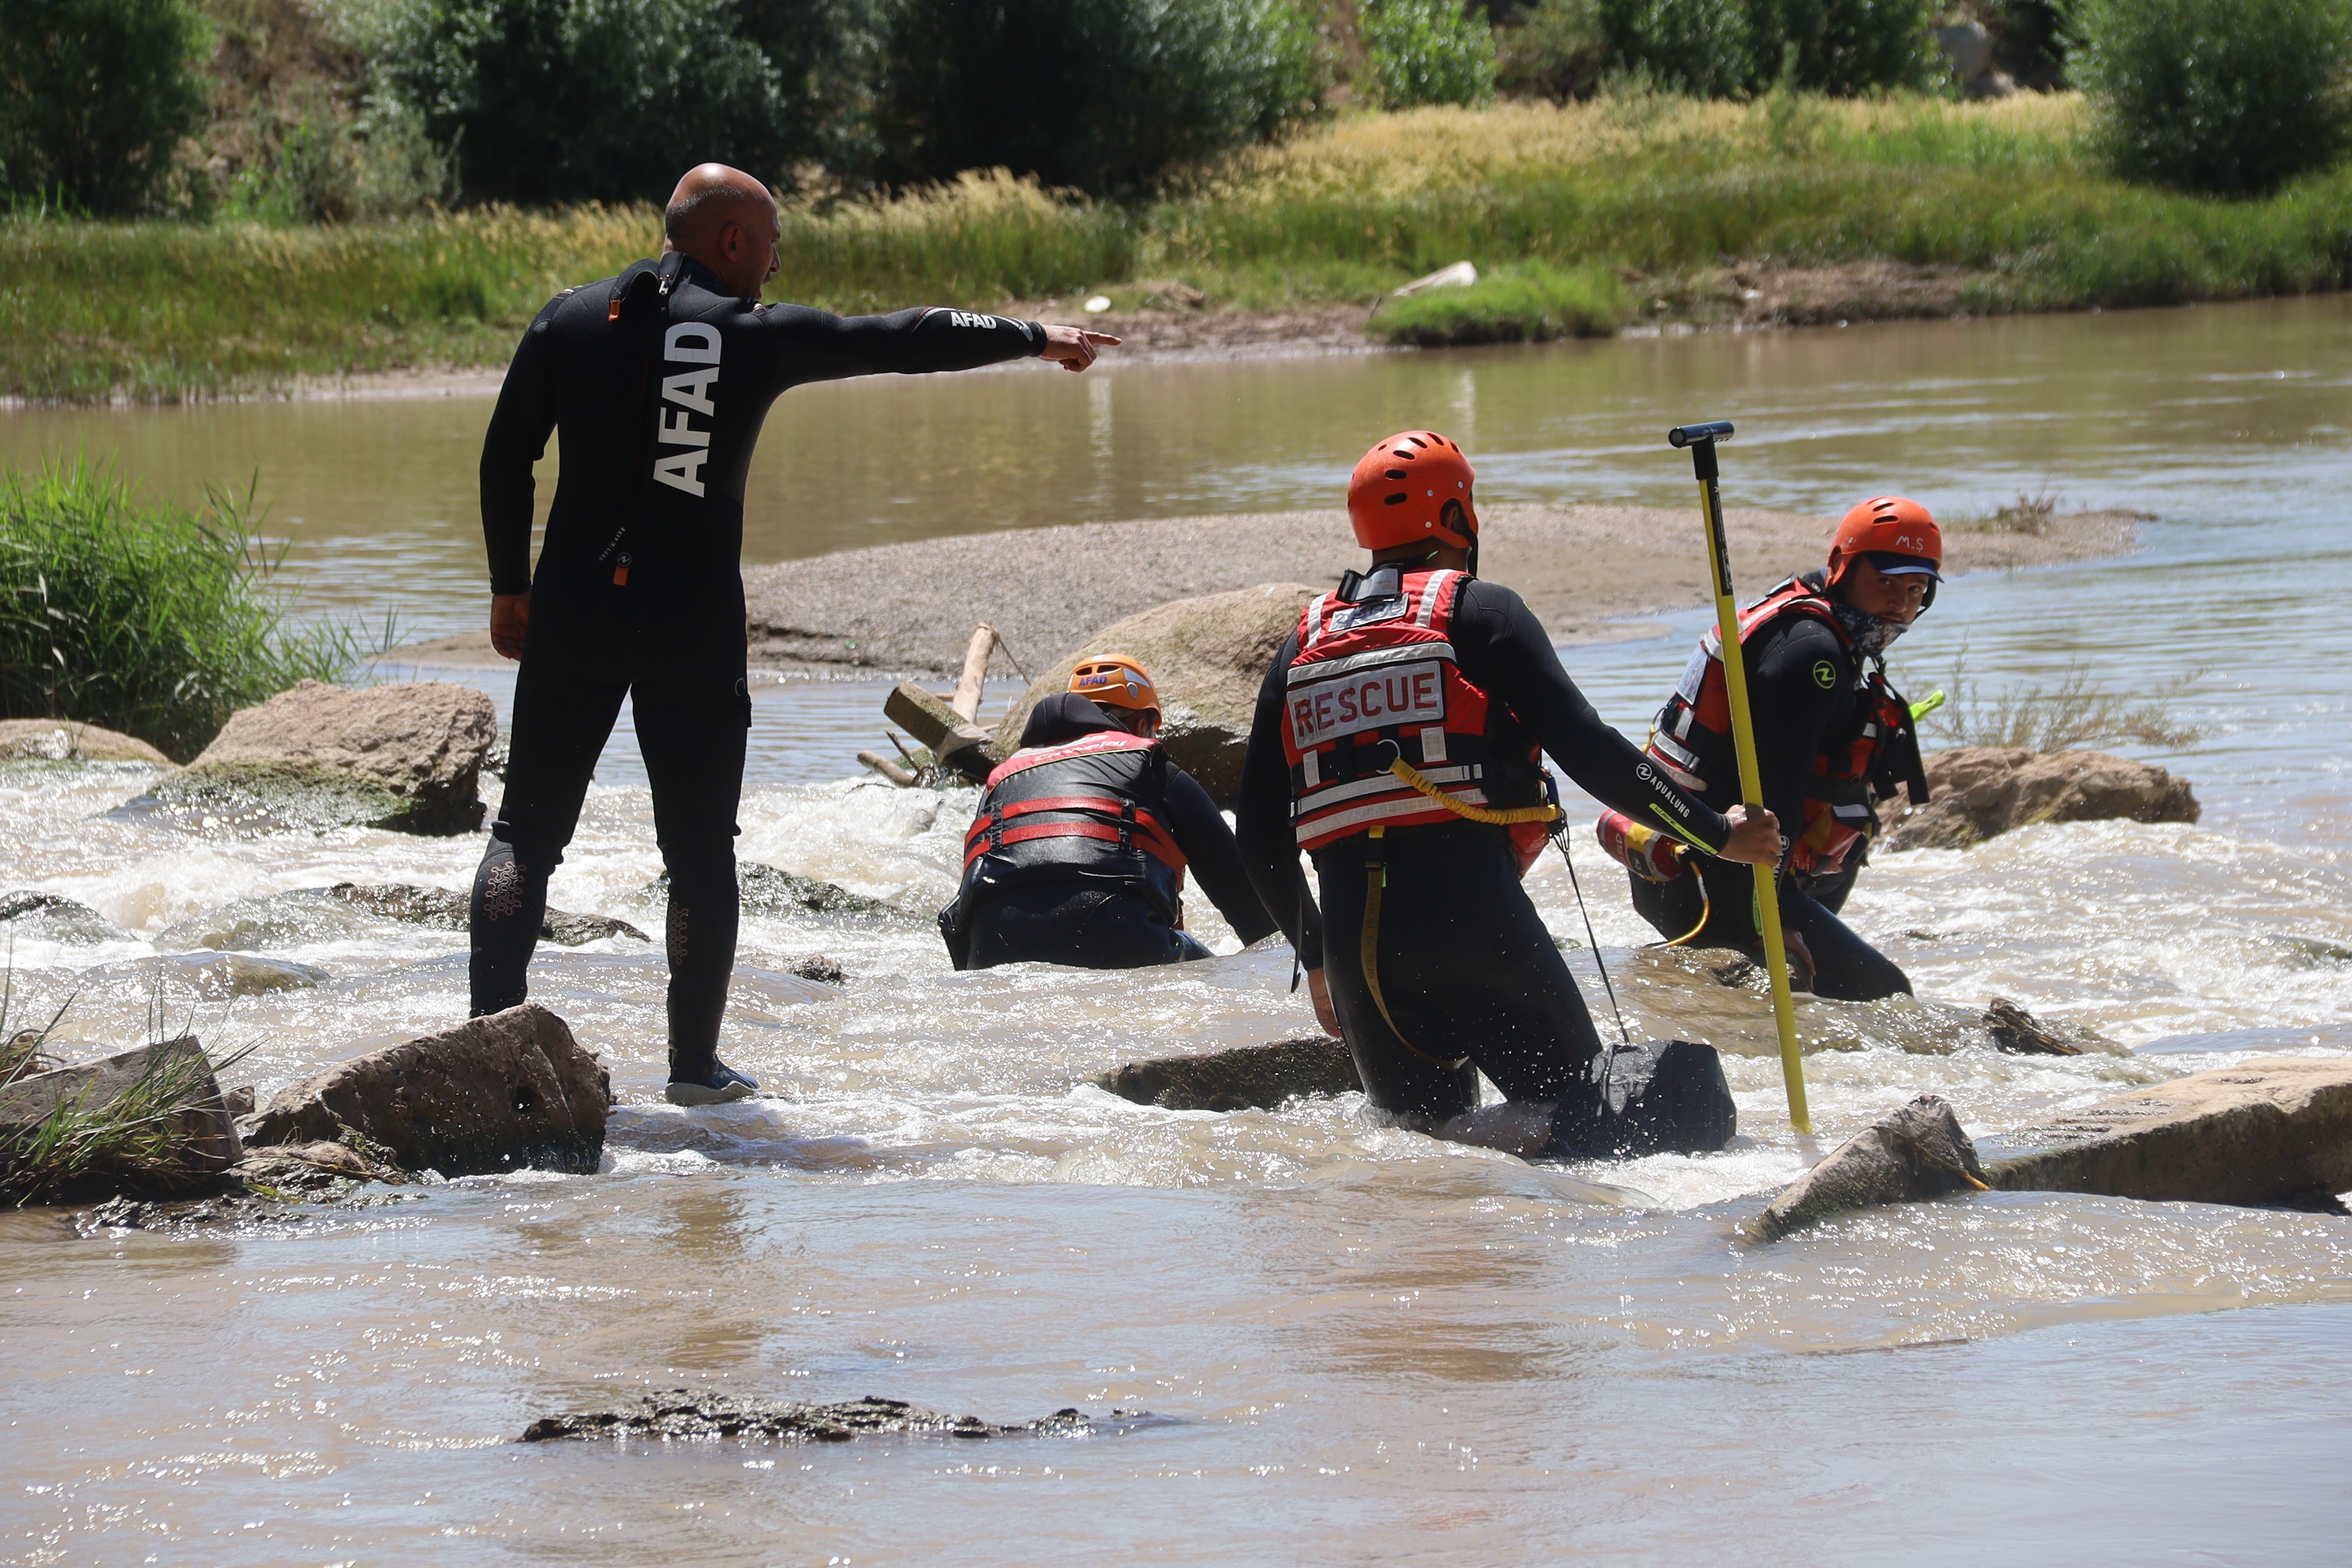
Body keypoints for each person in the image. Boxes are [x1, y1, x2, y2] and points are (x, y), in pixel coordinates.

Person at [471, 163, 1119, 1106]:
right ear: (731, 241)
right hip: (687, 623)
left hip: (574, 607)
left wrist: (507, 585)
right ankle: (692, 1070)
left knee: (526, 836)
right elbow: (904, 339)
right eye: (771, 242)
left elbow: (505, 453)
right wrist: (1033, 336)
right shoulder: (748, 336)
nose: (776, 264)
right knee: (697, 853)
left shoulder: (569, 319)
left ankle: (486, 1049)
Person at [1232, 431, 1780, 1151]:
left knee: (1420, 1154)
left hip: (1359, 958)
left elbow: (1259, 832)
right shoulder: (1482, 613)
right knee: (1600, 1140)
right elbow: (1590, 749)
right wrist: (1718, 832)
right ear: (1458, 519)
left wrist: (1317, 961)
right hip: (1475, 929)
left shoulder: (1300, 645)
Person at [1602, 495, 1938, 1002]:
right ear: (1842, 568)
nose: (1899, 603)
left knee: (1771, 1010)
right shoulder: (1811, 655)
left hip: (1704, 866)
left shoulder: (1816, 622)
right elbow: (1769, 806)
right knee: (1886, 997)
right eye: (1886, 583)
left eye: (1915, 589)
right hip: (1716, 876)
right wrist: (1766, 924)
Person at [942, 655, 1278, 970]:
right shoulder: (1150, 764)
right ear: (1143, 723)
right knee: (1218, 968)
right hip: (1121, 941)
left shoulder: (1002, 778)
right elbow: (1249, 903)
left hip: (989, 955)